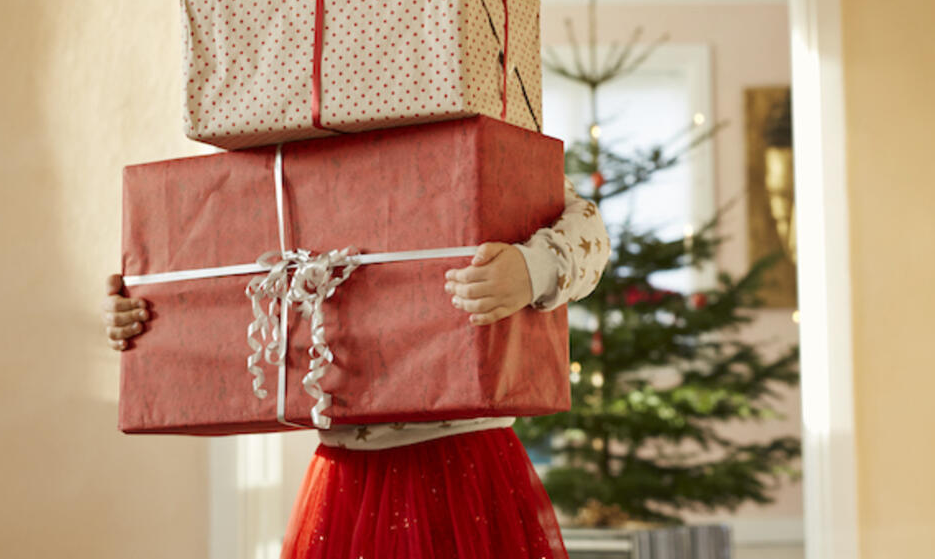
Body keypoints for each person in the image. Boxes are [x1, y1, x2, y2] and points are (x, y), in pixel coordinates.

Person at [104, 176, 610, 559]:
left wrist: (533, 269)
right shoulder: (296, 157)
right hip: (348, 476)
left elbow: (587, 224)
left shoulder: (475, 115)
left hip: (466, 467)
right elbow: (226, 262)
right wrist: (151, 314)